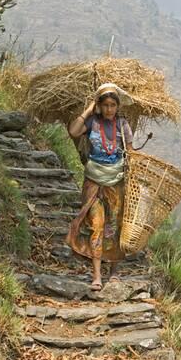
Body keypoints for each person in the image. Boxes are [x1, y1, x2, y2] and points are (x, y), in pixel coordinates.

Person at [65, 83, 134, 291]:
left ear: (118, 106)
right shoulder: (92, 123)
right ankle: (96, 275)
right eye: (105, 105)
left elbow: (131, 155)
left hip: (116, 183)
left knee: (114, 227)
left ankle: (113, 272)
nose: (109, 109)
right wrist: (88, 109)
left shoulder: (123, 125)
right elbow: (74, 131)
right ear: (99, 106)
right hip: (94, 182)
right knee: (97, 225)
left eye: (113, 105)